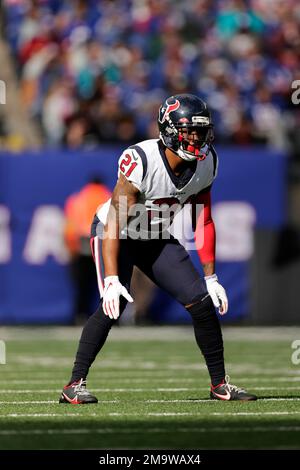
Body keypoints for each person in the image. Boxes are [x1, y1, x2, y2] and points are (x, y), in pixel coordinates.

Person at [59, 93, 257, 404]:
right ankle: (74, 383)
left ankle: (219, 384)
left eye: (201, 130)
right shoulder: (142, 160)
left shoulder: (207, 163)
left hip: (153, 235)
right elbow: (114, 222)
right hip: (116, 234)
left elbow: (203, 219)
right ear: (168, 130)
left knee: (201, 302)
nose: (197, 137)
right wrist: (111, 279)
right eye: (189, 131)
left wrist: (211, 276)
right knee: (113, 307)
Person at [64, 177, 112, 323]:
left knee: (82, 286)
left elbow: (70, 228)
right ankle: (108, 315)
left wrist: (71, 249)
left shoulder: (77, 198)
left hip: (81, 244)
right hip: (102, 244)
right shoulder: (107, 196)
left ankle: (80, 315)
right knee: (104, 285)